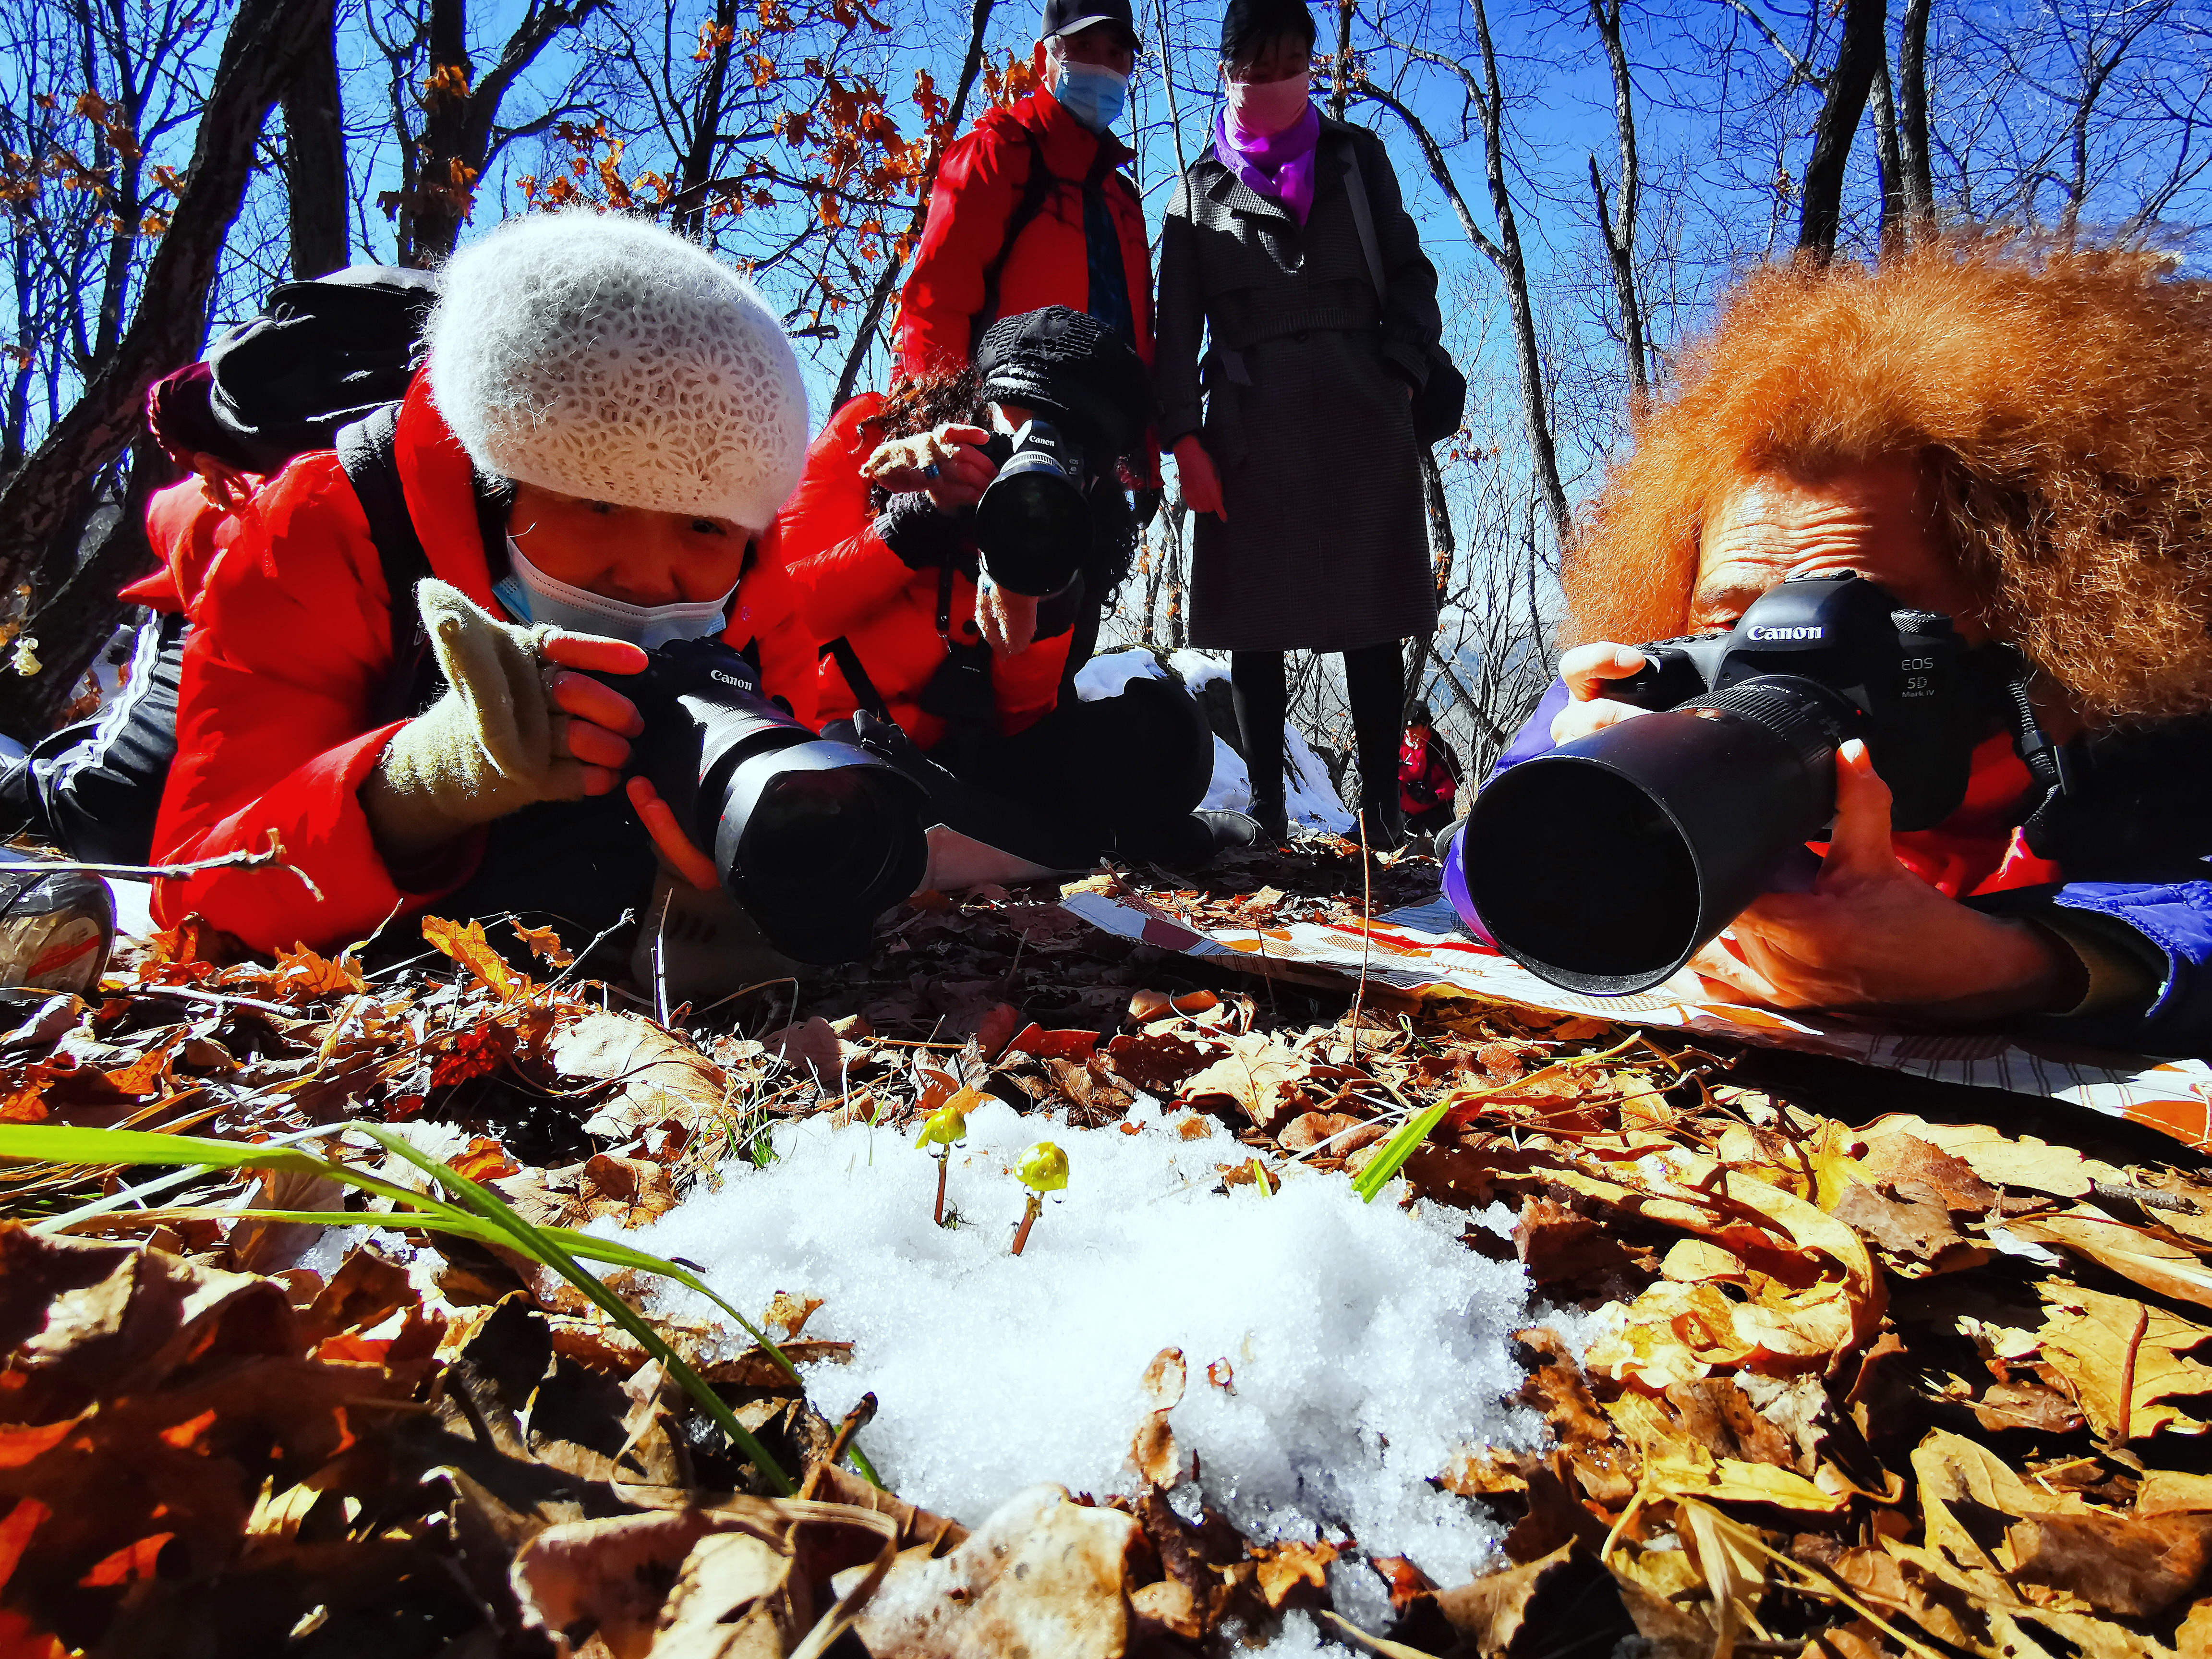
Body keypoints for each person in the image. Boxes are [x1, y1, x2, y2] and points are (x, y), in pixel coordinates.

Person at [1476, 238, 2212, 1053]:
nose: (1785, 660)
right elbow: (1481, 864)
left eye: (1870, 616)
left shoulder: (2140, 728)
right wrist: (1601, 794)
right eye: (1732, 625)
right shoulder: (1670, 694)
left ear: (2038, 612)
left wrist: (2027, 965)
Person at [150, 213, 820, 961]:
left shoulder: (756, 589)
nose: (641, 575)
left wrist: (747, 872)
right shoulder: (325, 529)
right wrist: (423, 785)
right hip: (243, 653)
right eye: (596, 503)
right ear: (493, 480)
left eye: (703, 527)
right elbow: (195, 899)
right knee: (104, 801)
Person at [782, 305, 1244, 872]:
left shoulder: (1080, 525)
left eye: (1065, 453)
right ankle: (1076, 840)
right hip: (833, 728)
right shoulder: (874, 433)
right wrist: (908, 523)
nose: (1031, 460)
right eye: (1016, 436)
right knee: (846, 769)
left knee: (1173, 741)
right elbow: (780, 617)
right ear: (976, 405)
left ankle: (983, 830)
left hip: (971, 756)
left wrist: (1037, 591)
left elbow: (1023, 721)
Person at [1155, 0, 1443, 849]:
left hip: (1364, 411)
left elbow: (1412, 273)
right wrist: (1184, 439)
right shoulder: (1197, 192)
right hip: (1247, 423)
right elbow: (1176, 335)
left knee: (1373, 615)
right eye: (1255, 65)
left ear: (1312, 63)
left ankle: (1385, 815)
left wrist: (1400, 371)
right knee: (1254, 619)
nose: (1273, 81)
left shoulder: (1359, 161)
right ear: (1227, 69)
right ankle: (1269, 816)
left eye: (1290, 62)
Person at [895, 0, 1151, 386]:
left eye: (1116, 53)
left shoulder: (1124, 201)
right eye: (1082, 47)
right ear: (1041, 56)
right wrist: (946, 430)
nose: (1101, 66)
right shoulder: (996, 155)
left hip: (1109, 439)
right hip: (999, 435)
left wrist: (1145, 446)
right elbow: (935, 308)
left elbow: (1141, 349)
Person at [1398, 702, 1459, 836]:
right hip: (1404, 813)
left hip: (1435, 808)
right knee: (1402, 853)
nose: (1408, 731)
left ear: (1425, 725)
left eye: (1413, 726)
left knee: (1448, 845)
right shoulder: (1398, 745)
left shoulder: (1439, 748)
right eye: (1406, 727)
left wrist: (1437, 795)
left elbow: (1456, 779)